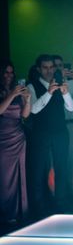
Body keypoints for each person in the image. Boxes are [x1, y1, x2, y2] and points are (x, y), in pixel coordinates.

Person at [27, 54, 73, 218]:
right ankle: (39, 209)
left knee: (62, 168)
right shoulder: (31, 86)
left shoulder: (61, 84)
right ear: (39, 69)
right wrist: (48, 93)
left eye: (51, 67)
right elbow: (33, 109)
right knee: (39, 170)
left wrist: (65, 93)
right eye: (45, 68)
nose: (49, 71)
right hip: (41, 134)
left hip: (60, 132)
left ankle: (60, 204)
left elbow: (71, 107)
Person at [0, 61, 30, 223]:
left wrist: (27, 99)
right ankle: (6, 214)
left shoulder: (18, 91)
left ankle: (21, 213)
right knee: (5, 179)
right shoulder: (6, 92)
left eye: (11, 72)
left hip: (18, 137)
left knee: (21, 176)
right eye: (6, 72)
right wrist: (11, 94)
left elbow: (25, 115)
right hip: (3, 139)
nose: (9, 75)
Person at [53, 55, 73, 205]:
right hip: (59, 126)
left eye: (60, 65)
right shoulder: (49, 85)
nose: (59, 68)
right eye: (55, 65)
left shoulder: (72, 83)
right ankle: (67, 194)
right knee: (65, 162)